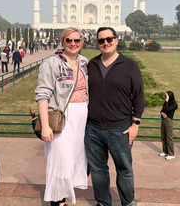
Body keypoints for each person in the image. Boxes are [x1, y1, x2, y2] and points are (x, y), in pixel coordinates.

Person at [85, 27, 144, 206]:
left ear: (116, 40)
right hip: (93, 128)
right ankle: (103, 202)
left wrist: (136, 123)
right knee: (97, 170)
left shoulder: (129, 64)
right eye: (101, 40)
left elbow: (139, 95)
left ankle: (128, 202)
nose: (106, 43)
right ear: (97, 43)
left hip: (120, 128)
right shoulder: (92, 65)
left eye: (109, 39)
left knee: (124, 169)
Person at [35, 27, 89, 206]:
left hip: (81, 119)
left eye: (77, 40)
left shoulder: (84, 62)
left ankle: (64, 197)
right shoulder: (52, 63)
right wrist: (45, 125)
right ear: (62, 41)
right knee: (60, 161)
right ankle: (57, 201)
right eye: (69, 40)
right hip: (61, 118)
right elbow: (43, 95)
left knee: (74, 159)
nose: (73, 44)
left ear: (82, 42)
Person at [159, 90, 178, 160]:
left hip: (168, 121)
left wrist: (166, 101)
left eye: (166, 96)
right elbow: (162, 110)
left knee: (169, 138)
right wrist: (162, 113)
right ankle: (165, 151)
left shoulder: (174, 104)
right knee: (163, 136)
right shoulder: (166, 103)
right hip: (163, 120)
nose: (165, 97)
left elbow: (167, 109)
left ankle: (171, 153)